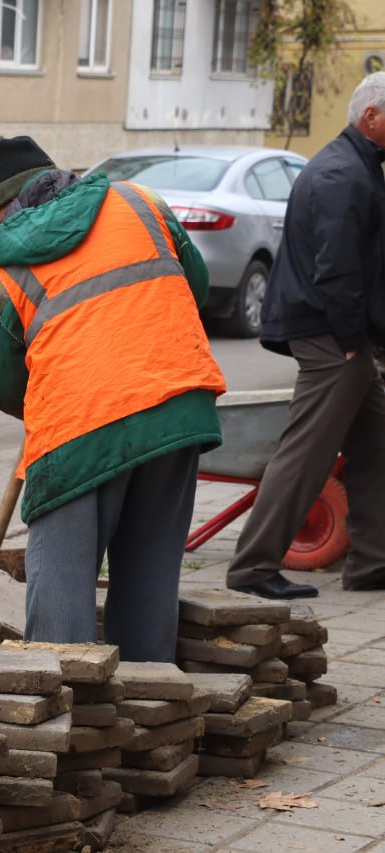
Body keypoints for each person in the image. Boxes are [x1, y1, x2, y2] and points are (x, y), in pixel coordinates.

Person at [0, 135, 226, 662]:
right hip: (176, 405)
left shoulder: (0, 273)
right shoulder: (141, 203)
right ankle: (149, 700)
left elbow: (6, 385)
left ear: (4, 210)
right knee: (150, 579)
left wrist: (57, 396)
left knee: (60, 601)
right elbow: (194, 287)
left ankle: (62, 696)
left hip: (78, 432)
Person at [226, 72, 385, 600]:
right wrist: (351, 339)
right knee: (307, 453)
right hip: (331, 334)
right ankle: (252, 568)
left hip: (342, 333)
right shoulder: (344, 174)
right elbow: (336, 267)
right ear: (371, 117)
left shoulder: (356, 166)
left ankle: (373, 563)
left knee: (376, 443)